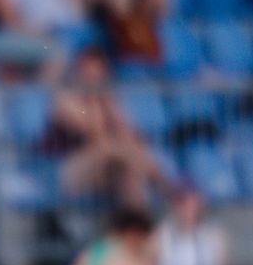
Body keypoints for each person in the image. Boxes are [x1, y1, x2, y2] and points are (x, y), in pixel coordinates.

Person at [43, 46, 164, 208]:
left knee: (129, 176)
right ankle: (166, 186)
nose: (92, 78)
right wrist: (95, 99)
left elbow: (129, 133)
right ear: (78, 71)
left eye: (97, 73)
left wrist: (110, 106)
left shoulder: (108, 98)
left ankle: (137, 224)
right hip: (70, 168)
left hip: (107, 164)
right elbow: (93, 132)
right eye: (87, 72)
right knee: (110, 148)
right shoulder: (65, 99)